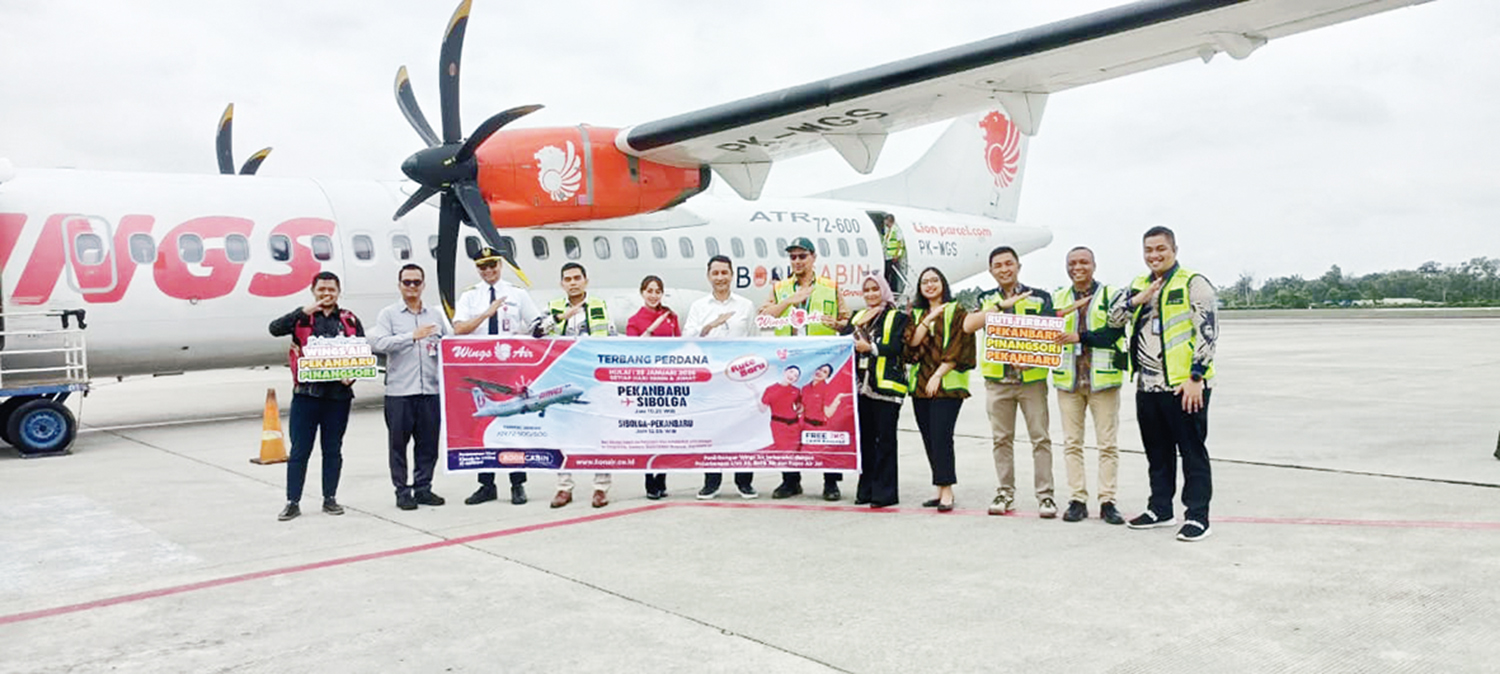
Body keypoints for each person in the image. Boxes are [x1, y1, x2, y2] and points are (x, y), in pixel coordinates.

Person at [1108, 226, 1219, 542]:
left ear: (1174, 250)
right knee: (1157, 452)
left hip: (1184, 386)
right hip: (1148, 386)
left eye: (1161, 249)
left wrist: (1196, 376)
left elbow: (1208, 332)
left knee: (1192, 453)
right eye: (1148, 250)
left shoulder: (1193, 283)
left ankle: (1197, 516)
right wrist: (1138, 299)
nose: (1154, 255)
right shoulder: (1138, 284)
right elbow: (1113, 319)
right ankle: (1160, 508)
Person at [963, 246, 1057, 518]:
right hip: (998, 381)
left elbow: (1050, 337)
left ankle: (1046, 495)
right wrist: (996, 308)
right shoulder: (985, 298)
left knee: (1040, 438)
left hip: (1031, 381)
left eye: (1008, 263)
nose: (1004, 269)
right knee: (1001, 439)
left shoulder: (1039, 297)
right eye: (998, 265)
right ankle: (1005, 491)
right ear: (991, 271)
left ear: (1018, 266)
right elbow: (969, 325)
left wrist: (1032, 360)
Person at [267, 271, 364, 522]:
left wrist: (352, 376)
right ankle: (292, 501)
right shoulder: (301, 318)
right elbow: (274, 329)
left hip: (338, 397)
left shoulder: (349, 320)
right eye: (321, 289)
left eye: (331, 289)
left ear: (338, 292)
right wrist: (303, 311)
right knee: (300, 450)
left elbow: (361, 353)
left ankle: (330, 498)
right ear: (313, 291)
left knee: (333, 450)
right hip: (306, 395)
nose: (326, 294)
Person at [759, 237, 849, 501]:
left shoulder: (830, 287)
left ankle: (830, 481)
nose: (797, 261)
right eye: (793, 257)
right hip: (791, 363)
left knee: (824, 420)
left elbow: (846, 320)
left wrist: (838, 324)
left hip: (821, 362)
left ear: (813, 257)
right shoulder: (780, 288)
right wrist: (791, 300)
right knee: (788, 419)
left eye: (802, 256)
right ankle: (790, 479)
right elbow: (764, 317)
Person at [452, 246, 541, 507]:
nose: (488, 270)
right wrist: (486, 314)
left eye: (492, 265)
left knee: (512, 426)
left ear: (500, 265)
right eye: (482, 266)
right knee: (482, 425)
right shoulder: (470, 296)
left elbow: (536, 323)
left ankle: (517, 483)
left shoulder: (516, 293)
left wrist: (534, 332)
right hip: (480, 368)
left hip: (510, 368)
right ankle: (486, 484)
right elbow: (459, 329)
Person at [1050, 247, 1129, 525]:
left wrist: (1079, 337)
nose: (1077, 267)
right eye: (1072, 263)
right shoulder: (1058, 297)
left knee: (1107, 444)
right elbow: (1043, 331)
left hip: (1102, 381)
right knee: (1072, 443)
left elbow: (1113, 332)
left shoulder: (1110, 295)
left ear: (1094, 265)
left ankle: (1107, 501)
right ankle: (1077, 499)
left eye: (1083, 262)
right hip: (1069, 381)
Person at [369, 263, 451, 511]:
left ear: (423, 285)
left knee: (428, 445)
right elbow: (379, 342)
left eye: (416, 282)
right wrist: (411, 337)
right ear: (400, 285)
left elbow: (446, 344)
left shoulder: (435, 315)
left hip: (430, 391)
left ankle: (423, 487)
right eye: (407, 282)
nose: (412, 286)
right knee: (398, 446)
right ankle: (402, 491)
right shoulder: (389, 314)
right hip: (400, 392)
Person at [535, 262, 616, 508]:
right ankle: (564, 487)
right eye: (568, 279)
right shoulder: (553, 307)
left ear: (585, 281)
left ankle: (601, 487)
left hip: (593, 380)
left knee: (598, 432)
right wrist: (562, 317)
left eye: (577, 278)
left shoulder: (599, 306)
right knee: (561, 432)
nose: (573, 283)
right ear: (562, 284)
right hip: (562, 380)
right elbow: (535, 332)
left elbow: (612, 339)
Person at [683, 255, 759, 500]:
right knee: (712, 429)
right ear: (708, 276)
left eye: (724, 272)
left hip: (740, 378)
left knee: (743, 428)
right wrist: (709, 327)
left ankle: (744, 482)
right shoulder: (699, 307)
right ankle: (711, 482)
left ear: (732, 275)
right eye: (715, 273)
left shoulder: (746, 305)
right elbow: (688, 337)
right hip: (711, 379)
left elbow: (755, 340)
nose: (720, 278)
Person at [906, 267, 975, 512]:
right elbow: (911, 343)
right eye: (925, 281)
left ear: (943, 283)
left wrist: (938, 374)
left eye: (934, 280)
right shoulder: (915, 313)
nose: (930, 285)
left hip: (947, 385)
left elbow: (959, 346)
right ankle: (939, 487)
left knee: (941, 436)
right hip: (920, 385)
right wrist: (928, 319)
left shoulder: (957, 311)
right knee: (929, 438)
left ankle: (947, 490)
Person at [845, 274, 909, 508]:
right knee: (866, 441)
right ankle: (866, 489)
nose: (871, 294)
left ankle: (885, 493)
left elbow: (896, 347)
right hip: (862, 389)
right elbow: (844, 342)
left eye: (875, 289)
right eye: (867, 290)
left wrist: (870, 347)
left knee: (885, 441)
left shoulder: (897, 317)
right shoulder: (858, 316)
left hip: (886, 389)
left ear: (884, 291)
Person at [626, 275, 680, 499]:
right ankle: (649, 480)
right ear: (642, 293)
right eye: (649, 290)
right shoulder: (634, 320)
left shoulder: (671, 317)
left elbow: (679, 345)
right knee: (648, 433)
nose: (654, 295)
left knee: (668, 431)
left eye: (658, 291)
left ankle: (662, 479)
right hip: (646, 382)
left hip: (668, 380)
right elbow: (632, 351)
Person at [758, 365, 804, 454]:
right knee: (782, 450)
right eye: (791, 372)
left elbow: (800, 406)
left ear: (796, 380)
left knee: (793, 450)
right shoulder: (771, 389)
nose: (792, 376)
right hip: (778, 425)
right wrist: (755, 393)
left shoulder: (796, 391)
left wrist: (799, 413)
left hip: (794, 425)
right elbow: (762, 409)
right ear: (785, 372)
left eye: (795, 376)